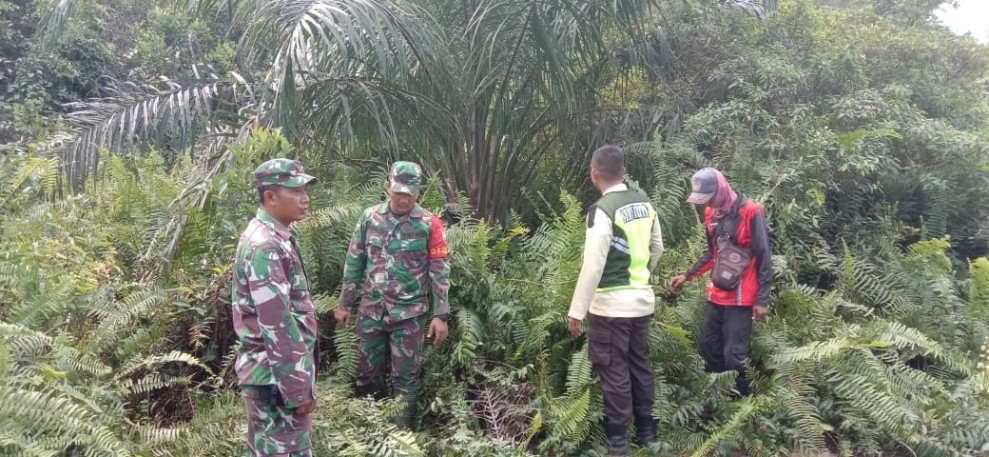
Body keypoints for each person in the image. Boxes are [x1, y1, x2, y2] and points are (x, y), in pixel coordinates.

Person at [334, 161, 451, 428]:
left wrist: (441, 314)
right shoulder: (369, 218)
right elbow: (354, 261)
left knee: (406, 378)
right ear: (387, 186)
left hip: (409, 316)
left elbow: (439, 269)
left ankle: (401, 438)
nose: (403, 198)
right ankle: (373, 430)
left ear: (419, 192)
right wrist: (344, 303)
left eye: (409, 193)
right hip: (371, 311)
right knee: (365, 374)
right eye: (398, 191)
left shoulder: (430, 224)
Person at [567, 146, 664, 456]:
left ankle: (620, 443)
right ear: (624, 171)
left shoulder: (602, 210)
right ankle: (647, 433)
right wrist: (640, 280)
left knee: (614, 370)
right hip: (641, 303)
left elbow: (593, 265)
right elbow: (657, 248)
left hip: (609, 308)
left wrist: (576, 311)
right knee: (640, 364)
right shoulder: (645, 204)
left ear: (595, 174)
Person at [232, 158, 319, 457]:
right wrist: (298, 388)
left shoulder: (274, 238)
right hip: (275, 381)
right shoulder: (266, 247)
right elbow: (277, 325)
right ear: (270, 197)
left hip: (273, 376)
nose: (305, 199)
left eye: (305, 190)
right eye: (295, 191)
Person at [667, 167, 772, 397]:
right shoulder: (710, 214)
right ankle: (720, 393)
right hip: (717, 292)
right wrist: (687, 274)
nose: (710, 204)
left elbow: (764, 255)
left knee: (734, 355)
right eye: (705, 200)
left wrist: (762, 298)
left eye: (710, 197)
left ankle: (742, 401)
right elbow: (712, 253)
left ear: (721, 189)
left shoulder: (751, 212)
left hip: (743, 296)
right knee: (709, 345)